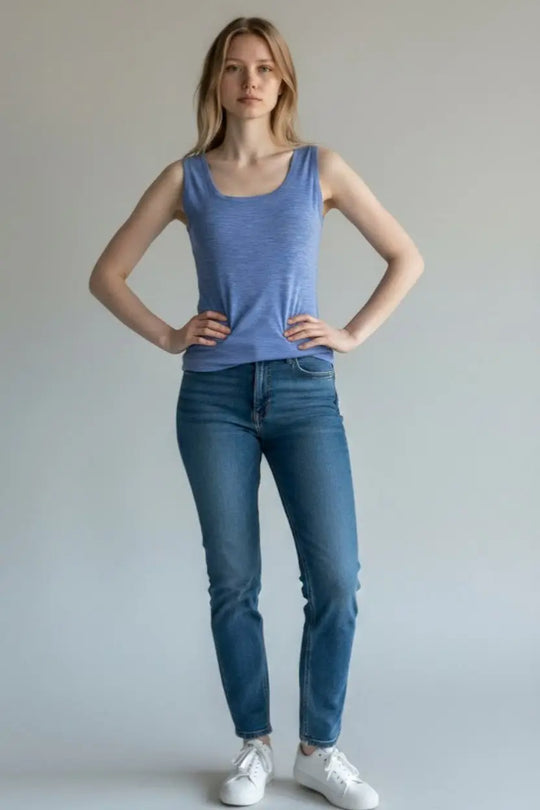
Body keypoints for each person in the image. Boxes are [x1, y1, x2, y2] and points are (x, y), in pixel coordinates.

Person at [89, 15, 424, 810]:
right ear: (216, 80)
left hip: (306, 391)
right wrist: (171, 333)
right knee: (234, 581)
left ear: (283, 82)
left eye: (265, 69)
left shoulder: (320, 167)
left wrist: (350, 333)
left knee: (336, 579)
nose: (250, 82)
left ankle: (318, 749)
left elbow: (406, 256)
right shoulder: (187, 179)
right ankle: (253, 747)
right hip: (213, 399)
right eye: (236, 68)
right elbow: (108, 274)